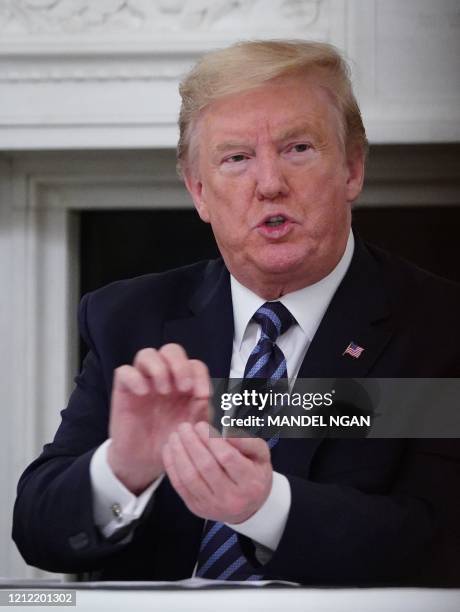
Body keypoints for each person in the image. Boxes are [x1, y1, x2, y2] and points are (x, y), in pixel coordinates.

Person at [12, 40, 460, 586]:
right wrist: (122, 469)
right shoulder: (128, 318)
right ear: (199, 191)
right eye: (236, 158)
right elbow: (37, 531)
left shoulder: (438, 325)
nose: (269, 183)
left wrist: (267, 508)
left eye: (298, 148)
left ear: (353, 169)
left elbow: (440, 538)